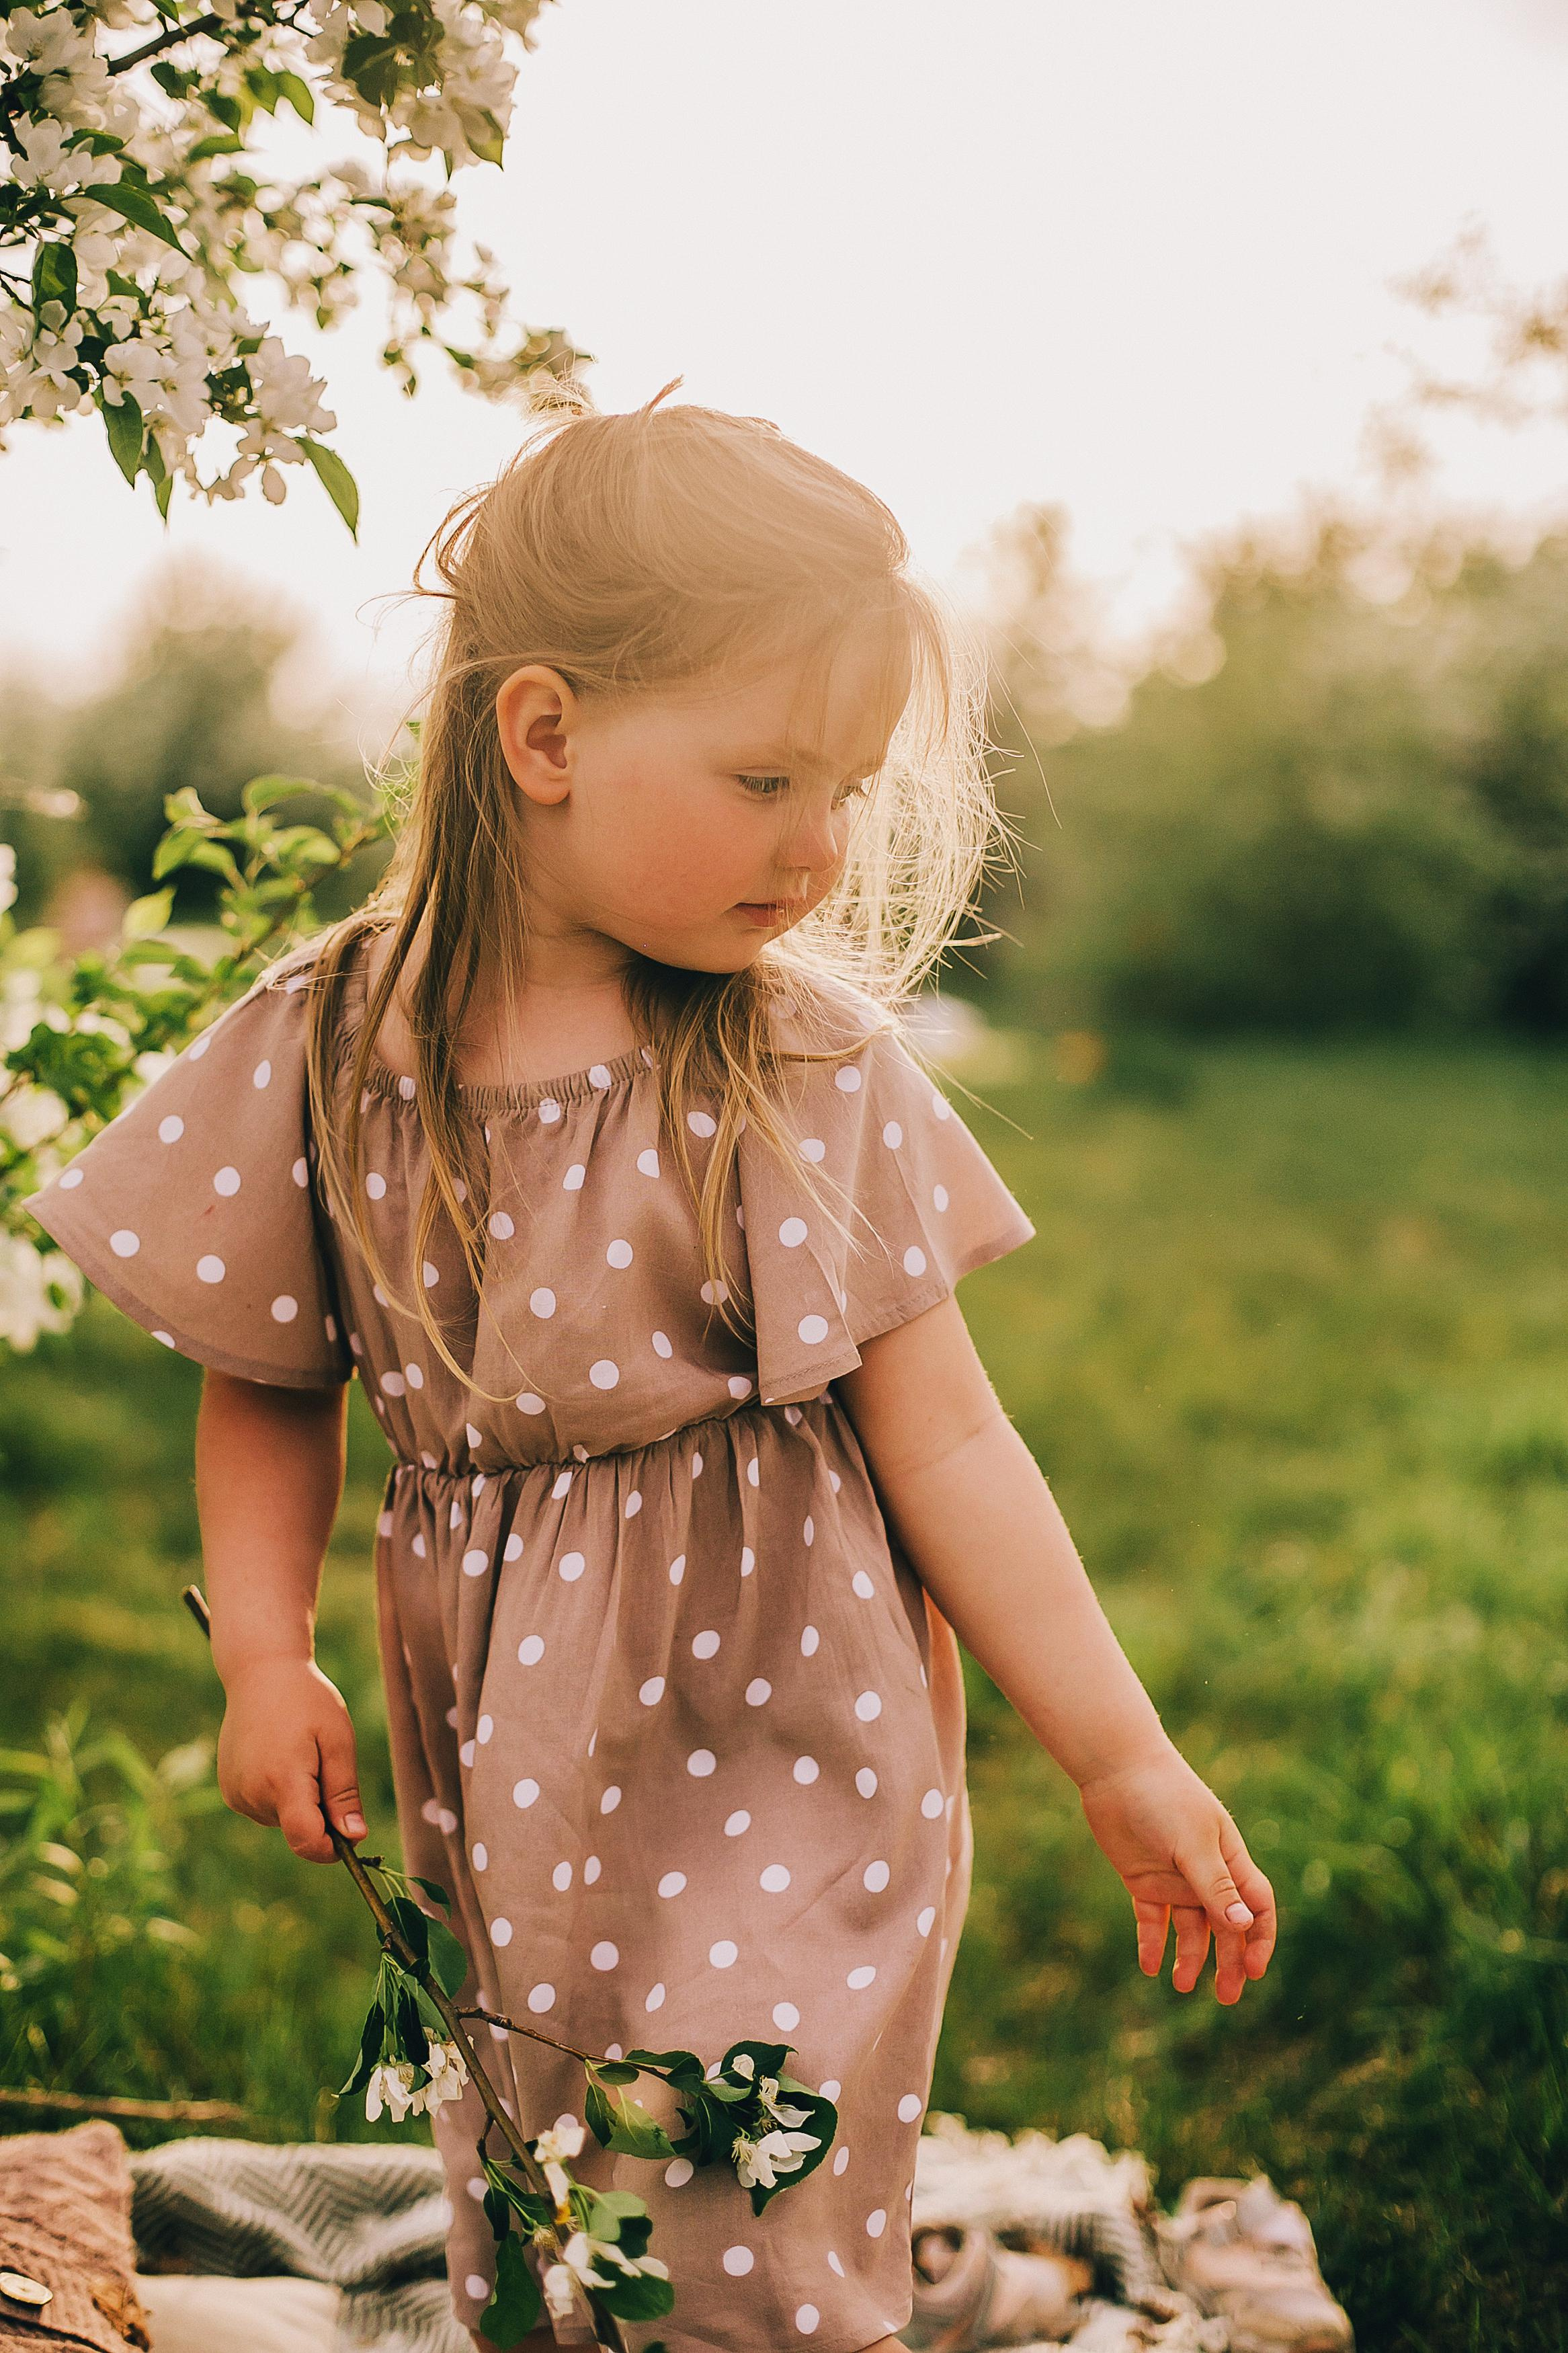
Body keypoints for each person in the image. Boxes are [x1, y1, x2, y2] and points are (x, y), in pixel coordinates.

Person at [22, 387, 1276, 2353]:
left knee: (741, 2163)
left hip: (793, 1700)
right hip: (508, 1723)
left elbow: (945, 1429)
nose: (823, 843)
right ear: (544, 735)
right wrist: (264, 1652)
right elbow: (272, 1373)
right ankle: (888, 2290)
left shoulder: (794, 1064)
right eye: (772, 776)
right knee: (560, 2147)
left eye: (848, 788)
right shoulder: (338, 1044)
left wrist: (1120, 1751)